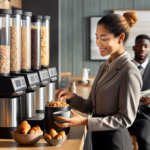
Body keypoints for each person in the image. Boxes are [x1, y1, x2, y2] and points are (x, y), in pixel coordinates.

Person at [55, 12, 143, 150]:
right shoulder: (104, 66)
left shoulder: (129, 71)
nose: (98, 43)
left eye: (103, 38)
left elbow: (126, 119)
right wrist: (73, 98)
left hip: (115, 143)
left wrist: (84, 121)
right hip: (98, 140)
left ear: (120, 38)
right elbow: (93, 107)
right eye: (96, 37)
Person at [128, 34, 150, 150]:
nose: (142, 49)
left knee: (146, 143)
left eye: (146, 46)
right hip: (123, 114)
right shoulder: (124, 67)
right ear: (133, 47)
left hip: (144, 116)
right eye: (139, 45)